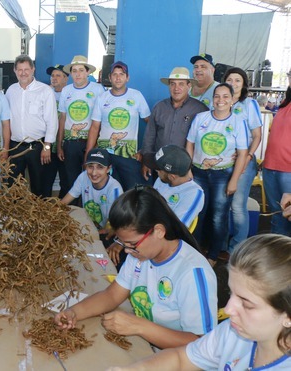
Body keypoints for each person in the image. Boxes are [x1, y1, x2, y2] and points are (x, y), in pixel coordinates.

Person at [54, 186, 217, 350]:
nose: (126, 250)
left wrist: (140, 326)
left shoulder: (193, 273)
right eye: (123, 244)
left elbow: (201, 344)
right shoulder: (140, 255)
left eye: (132, 244)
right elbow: (112, 295)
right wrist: (73, 312)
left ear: (159, 231)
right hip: (146, 347)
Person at [108, 234, 291, 371]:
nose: (228, 310)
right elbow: (181, 358)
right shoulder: (231, 332)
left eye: (247, 304)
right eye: (232, 293)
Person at [186, 83, 248, 266]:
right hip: (198, 173)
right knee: (198, 213)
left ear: (231, 100)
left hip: (223, 175)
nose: (220, 100)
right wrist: (188, 168)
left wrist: (234, 180)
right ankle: (194, 252)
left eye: (225, 96)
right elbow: (189, 144)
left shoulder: (238, 121)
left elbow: (243, 153)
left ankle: (212, 255)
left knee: (218, 216)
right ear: (212, 99)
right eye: (217, 96)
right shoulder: (201, 118)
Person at [87, 61, 151, 191]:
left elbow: (150, 124)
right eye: (114, 74)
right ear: (110, 78)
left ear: (127, 78)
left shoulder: (136, 96)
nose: (118, 77)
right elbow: (94, 128)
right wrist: (88, 155)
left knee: (131, 192)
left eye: (121, 74)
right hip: (106, 156)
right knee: (107, 191)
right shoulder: (102, 98)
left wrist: (144, 150)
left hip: (129, 157)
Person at [141, 67, 208, 181]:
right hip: (160, 166)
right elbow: (150, 136)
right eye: (173, 84)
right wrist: (146, 161)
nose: (176, 88)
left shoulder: (200, 110)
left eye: (181, 84)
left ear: (189, 86)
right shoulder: (159, 107)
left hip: (186, 169)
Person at [5, 54, 58, 197]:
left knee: (39, 186)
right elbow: (6, 121)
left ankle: (39, 217)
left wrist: (47, 147)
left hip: (38, 147)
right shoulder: (10, 91)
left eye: (26, 69)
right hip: (15, 147)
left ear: (33, 69)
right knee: (14, 187)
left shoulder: (45, 91)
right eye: (20, 70)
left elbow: (52, 121)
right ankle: (16, 217)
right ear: (15, 71)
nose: (23, 73)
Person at [224, 67, 263, 251]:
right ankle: (222, 244)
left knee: (238, 206)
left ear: (244, 84)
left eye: (238, 80)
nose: (233, 83)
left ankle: (237, 248)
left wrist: (247, 156)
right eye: (230, 79)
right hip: (222, 162)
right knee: (222, 205)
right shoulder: (220, 102)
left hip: (244, 162)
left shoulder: (249, 104)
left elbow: (257, 135)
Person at [57, 55, 105, 197]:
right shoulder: (66, 91)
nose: (78, 74)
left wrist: (95, 144)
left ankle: (88, 212)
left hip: (92, 144)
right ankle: (73, 213)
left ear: (87, 72)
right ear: (71, 73)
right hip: (71, 145)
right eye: (74, 71)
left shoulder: (98, 90)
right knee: (71, 181)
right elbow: (62, 119)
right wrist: (59, 145)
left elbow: (101, 120)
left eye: (81, 70)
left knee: (92, 179)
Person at [60, 148, 123, 233]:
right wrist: (52, 211)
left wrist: (91, 235)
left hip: (104, 232)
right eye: (90, 167)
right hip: (88, 226)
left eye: (100, 167)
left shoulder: (115, 190)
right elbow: (66, 200)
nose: (94, 173)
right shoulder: (83, 177)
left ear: (108, 169)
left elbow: (112, 225)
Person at [152, 145, 204, 227]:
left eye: (158, 170)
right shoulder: (161, 180)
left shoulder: (193, 193)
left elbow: (177, 228)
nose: (156, 172)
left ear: (171, 177)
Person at [262, 85, 291, 236]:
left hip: (288, 169)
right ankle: (279, 252)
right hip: (270, 166)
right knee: (277, 213)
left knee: (288, 213)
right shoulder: (285, 103)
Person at [43, 64, 68, 196]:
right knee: (46, 179)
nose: (54, 78)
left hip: (64, 145)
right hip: (48, 145)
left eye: (58, 75)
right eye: (52, 75)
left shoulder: (71, 94)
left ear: (66, 78)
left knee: (66, 179)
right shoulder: (46, 93)